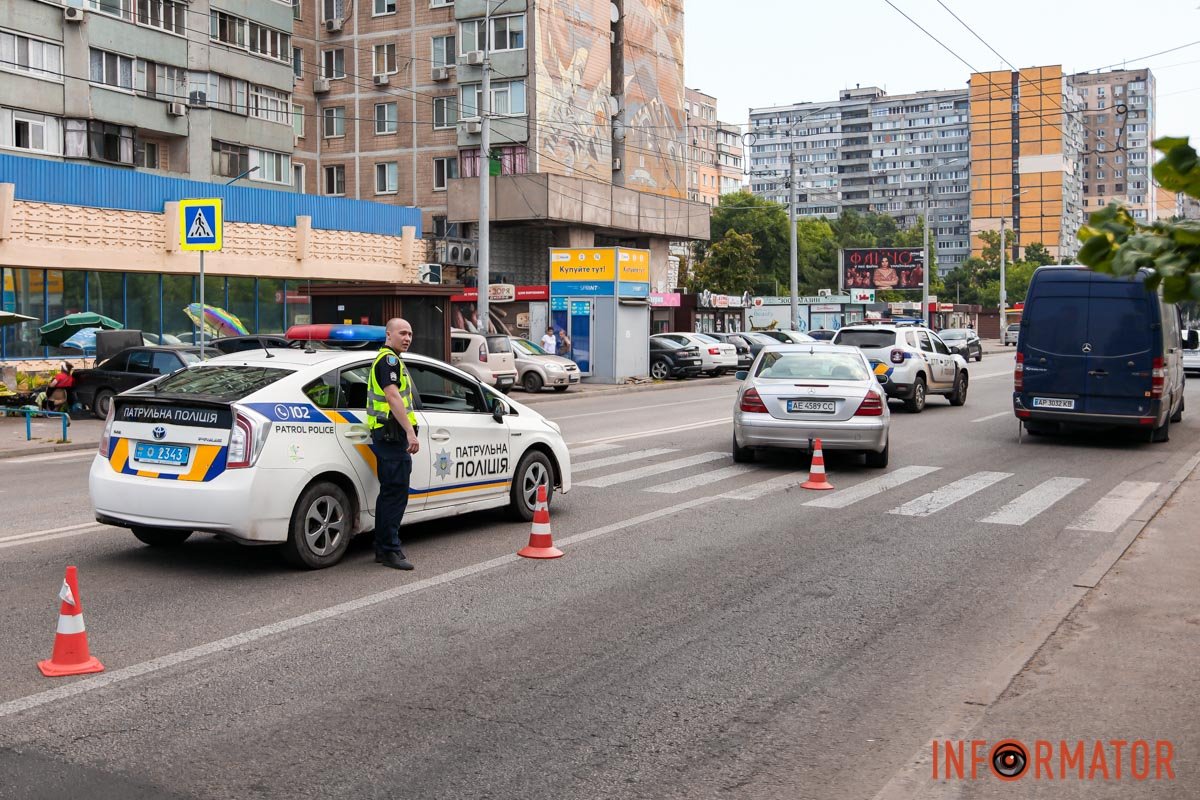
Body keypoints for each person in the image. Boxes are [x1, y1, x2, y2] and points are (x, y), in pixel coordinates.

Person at [365, 318, 421, 571]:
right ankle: (390, 550)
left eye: (410, 333)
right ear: (389, 335)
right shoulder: (388, 360)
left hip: (390, 436)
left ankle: (383, 548)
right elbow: (392, 395)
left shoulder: (393, 360)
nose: (407, 338)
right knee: (395, 495)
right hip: (391, 436)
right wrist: (410, 432)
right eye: (402, 333)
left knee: (390, 494)